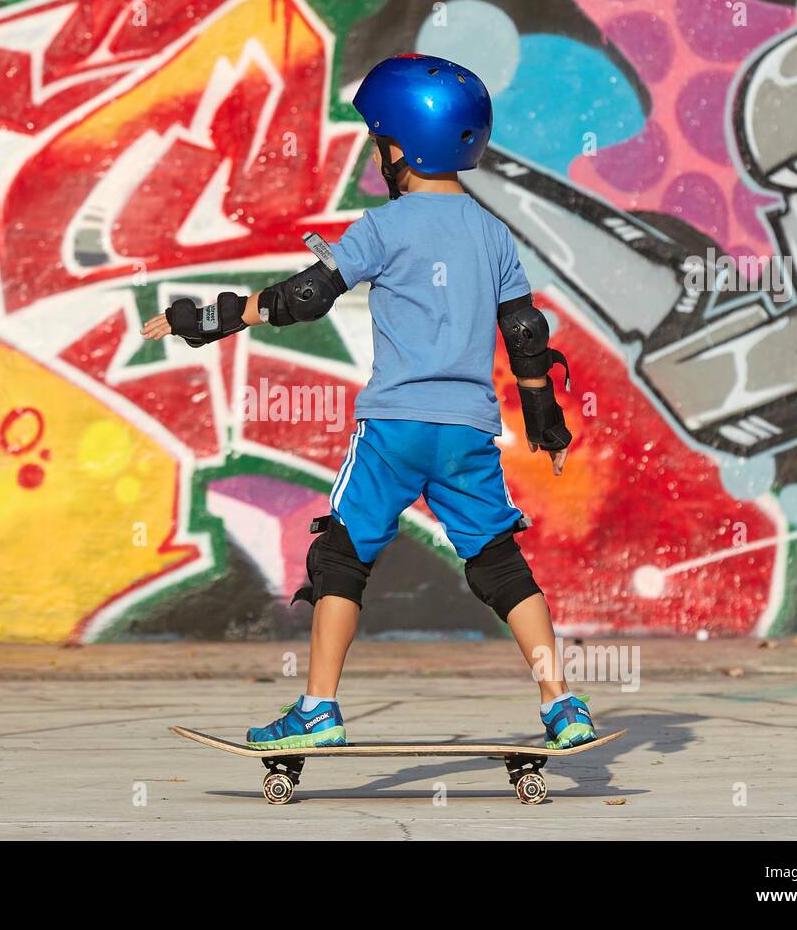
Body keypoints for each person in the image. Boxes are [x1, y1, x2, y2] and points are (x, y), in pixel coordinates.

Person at [140, 54, 594, 751]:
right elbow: (526, 338)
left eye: (380, 139)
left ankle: (319, 710)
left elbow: (302, 299)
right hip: (468, 433)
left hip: (394, 429)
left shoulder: (384, 227)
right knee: (499, 563)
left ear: (399, 148)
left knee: (341, 558)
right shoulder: (491, 233)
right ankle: (560, 703)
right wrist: (548, 427)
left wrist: (209, 319)